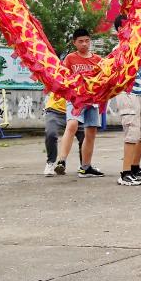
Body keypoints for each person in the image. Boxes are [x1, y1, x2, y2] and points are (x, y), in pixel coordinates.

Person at [55, 28, 105, 178]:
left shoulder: (98, 60)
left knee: (91, 132)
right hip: (75, 99)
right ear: (74, 43)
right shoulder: (70, 58)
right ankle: (61, 161)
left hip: (92, 100)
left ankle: (86, 167)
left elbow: (104, 79)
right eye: (81, 41)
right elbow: (63, 76)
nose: (84, 44)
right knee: (72, 125)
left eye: (87, 41)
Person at [114, 15, 141, 186]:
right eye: (128, 26)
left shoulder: (137, 45)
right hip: (128, 93)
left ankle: (135, 167)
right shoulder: (120, 48)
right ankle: (125, 173)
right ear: (120, 30)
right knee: (132, 133)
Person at [42, 92, 84, 176]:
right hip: (55, 110)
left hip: (75, 110)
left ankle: (84, 165)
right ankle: (50, 163)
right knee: (51, 134)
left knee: (84, 136)